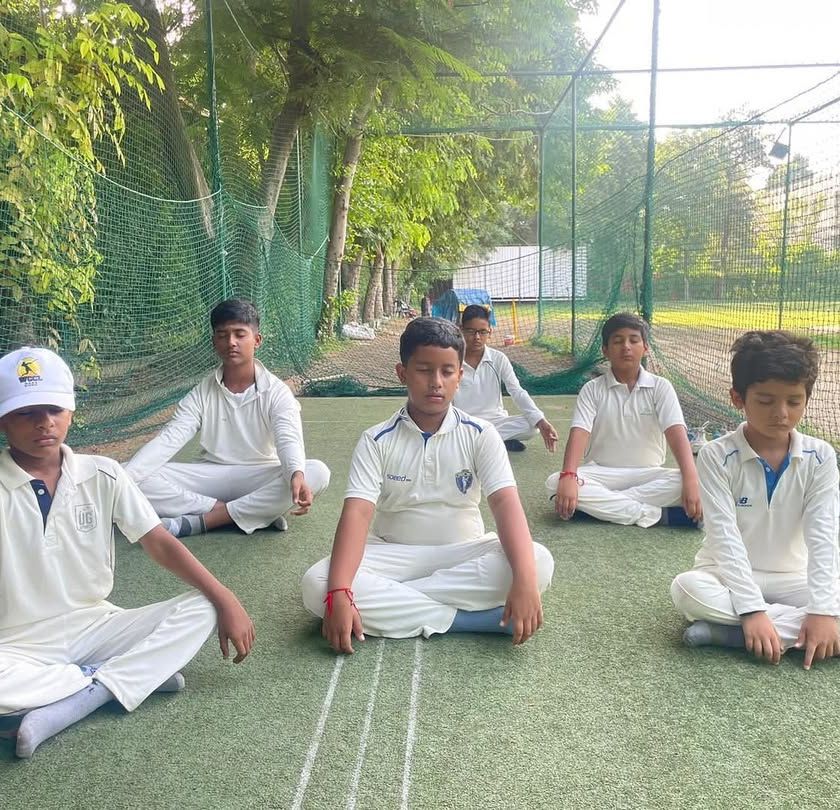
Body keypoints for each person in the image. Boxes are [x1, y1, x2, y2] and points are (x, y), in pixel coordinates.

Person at [0, 347, 255, 759]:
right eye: (26, 412)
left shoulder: (103, 472)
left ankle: (78, 698)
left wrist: (225, 597)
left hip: (96, 625)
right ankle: (129, 676)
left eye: (54, 409)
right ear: (3, 420)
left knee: (202, 608)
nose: (44, 422)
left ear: (71, 412)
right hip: (15, 642)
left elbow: (159, 542)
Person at [301, 317, 554, 652]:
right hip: (393, 554)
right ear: (402, 373)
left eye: (447, 372)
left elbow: (505, 505)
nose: (436, 382)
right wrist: (338, 592)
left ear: (460, 376)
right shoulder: (376, 440)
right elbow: (357, 514)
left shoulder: (482, 434)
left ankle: (397, 604)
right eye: (424, 370)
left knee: (538, 562)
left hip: (464, 553)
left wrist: (523, 578)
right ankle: (472, 620)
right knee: (317, 585)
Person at [671, 331, 840, 669]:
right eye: (765, 401)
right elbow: (724, 537)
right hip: (724, 575)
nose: (781, 413)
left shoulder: (821, 456)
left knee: (828, 604)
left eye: (794, 401)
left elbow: (824, 536)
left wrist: (822, 610)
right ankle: (788, 631)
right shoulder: (716, 455)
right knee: (686, 589)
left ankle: (732, 635)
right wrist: (751, 609)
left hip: (794, 577)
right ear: (738, 398)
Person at [125, 299, 330, 537]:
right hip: (209, 477)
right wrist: (124, 479)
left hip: (259, 476)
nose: (231, 342)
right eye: (222, 335)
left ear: (257, 340)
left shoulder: (277, 392)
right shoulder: (202, 392)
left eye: (239, 334)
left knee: (317, 472)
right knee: (128, 472)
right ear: (214, 342)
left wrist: (296, 473)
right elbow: (170, 438)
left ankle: (203, 521)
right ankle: (250, 513)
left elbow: (288, 439)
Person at [547, 312, 701, 528]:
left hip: (649, 474)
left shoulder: (661, 387)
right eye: (618, 341)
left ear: (645, 347)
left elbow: (676, 434)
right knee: (556, 483)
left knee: (698, 481)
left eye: (633, 340)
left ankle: (603, 506)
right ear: (605, 350)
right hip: (601, 473)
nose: (626, 347)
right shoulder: (592, 389)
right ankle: (659, 516)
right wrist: (569, 475)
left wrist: (691, 480)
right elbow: (579, 433)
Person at [453, 304, 558, 453]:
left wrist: (541, 422)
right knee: (448, 429)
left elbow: (517, 391)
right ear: (461, 330)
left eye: (482, 332)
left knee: (532, 427)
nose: (477, 337)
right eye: (471, 331)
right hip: (462, 422)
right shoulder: (452, 358)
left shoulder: (498, 358)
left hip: (495, 422)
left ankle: (480, 441)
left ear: (490, 332)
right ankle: (493, 441)